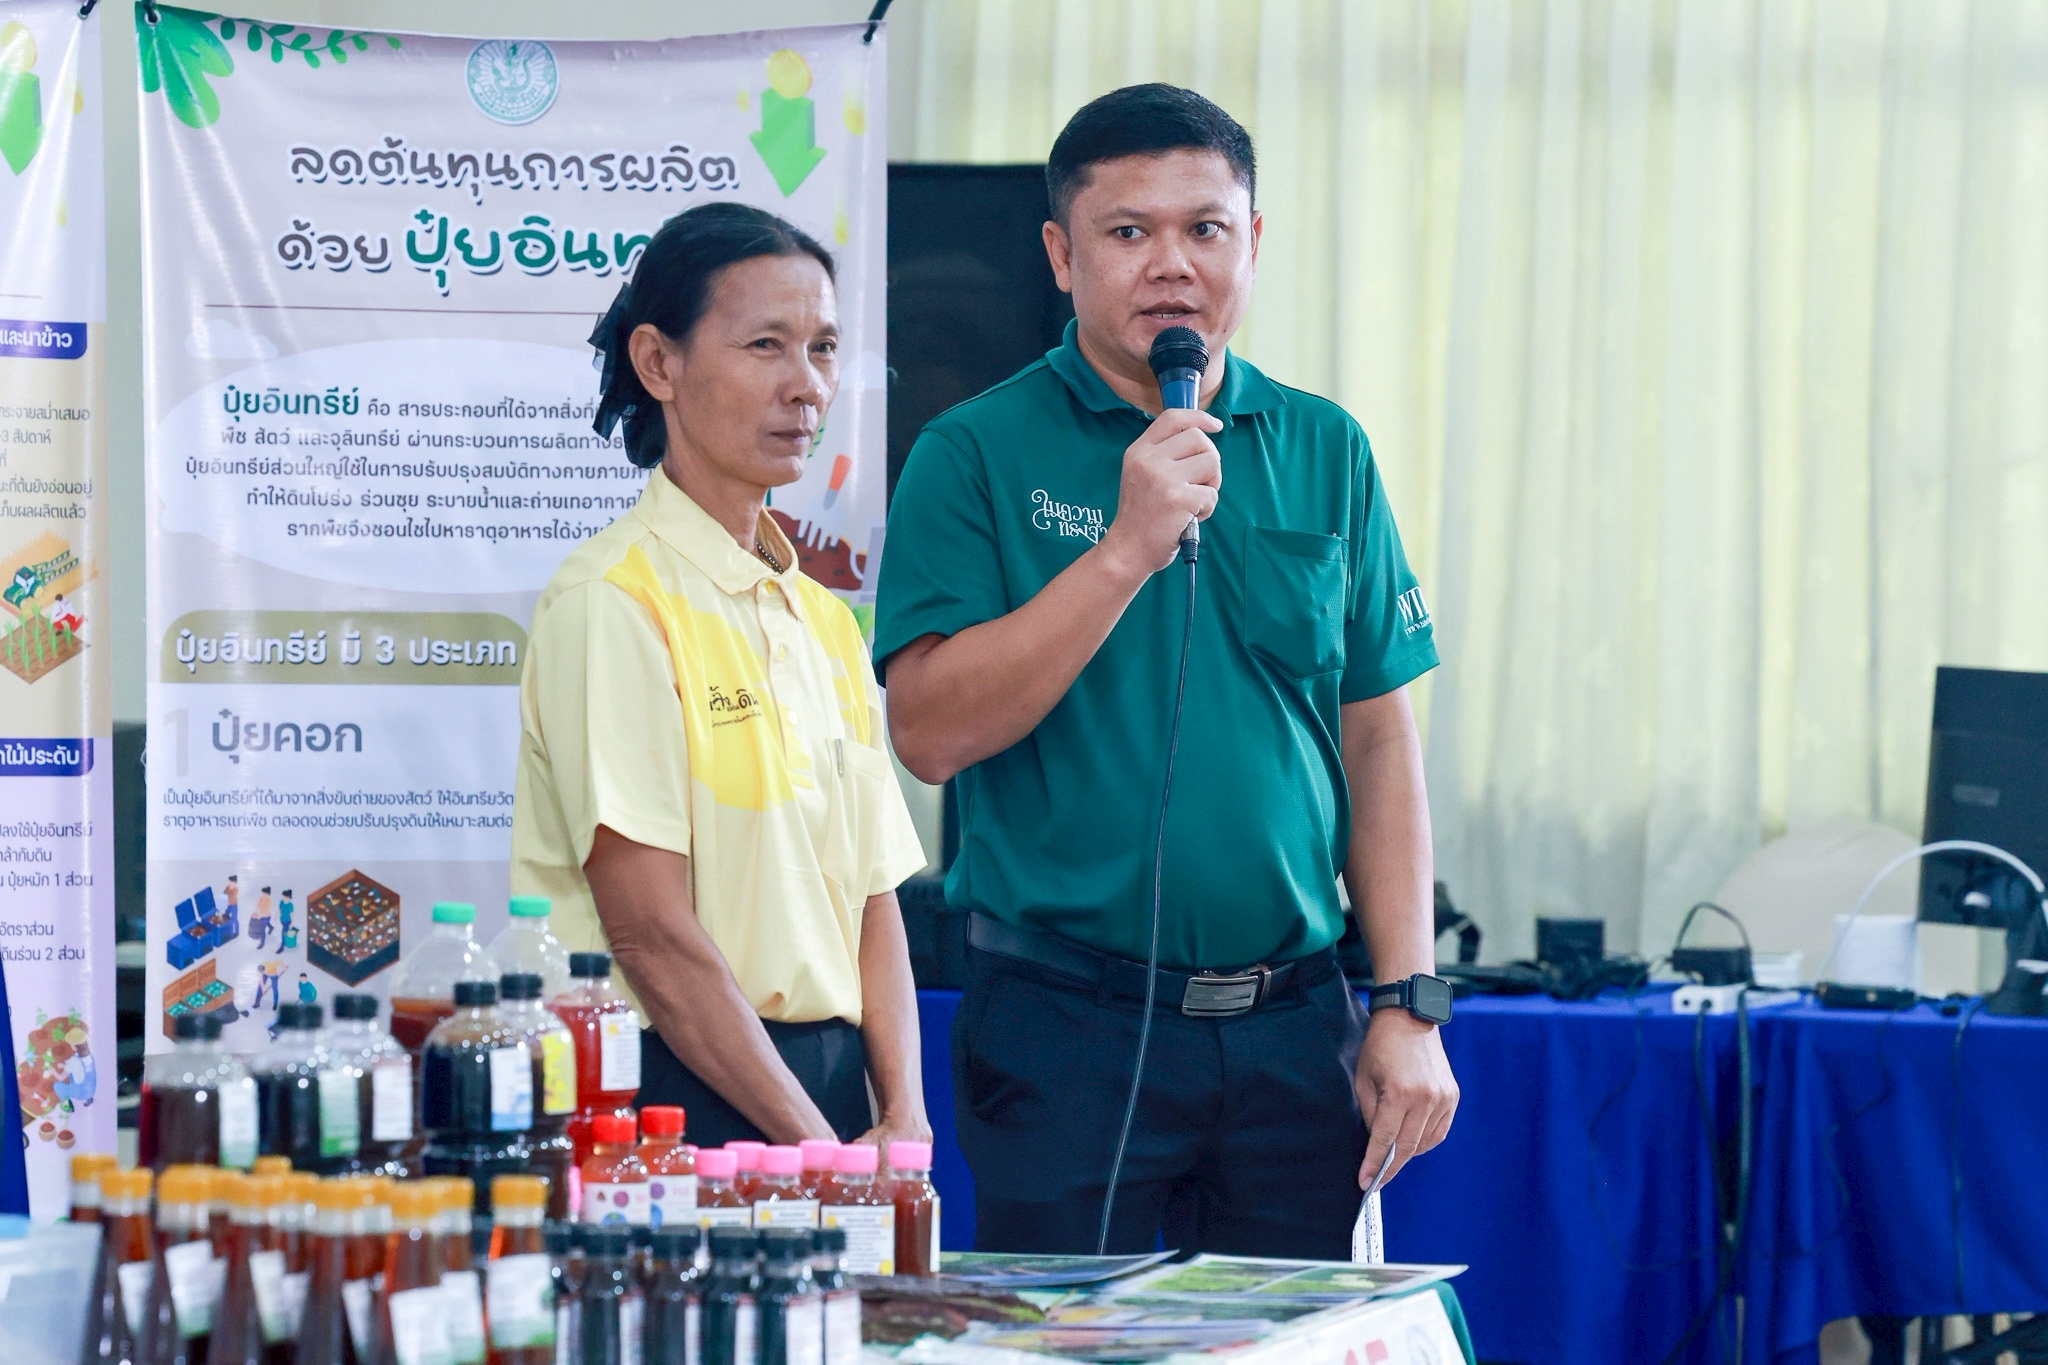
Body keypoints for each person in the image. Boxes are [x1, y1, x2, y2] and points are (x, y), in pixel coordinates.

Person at [876, 84, 1459, 1258]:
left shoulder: (1323, 446)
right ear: (1059, 254)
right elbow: (927, 733)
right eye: (1126, 232)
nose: (1170, 265)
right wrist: (1124, 549)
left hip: (1293, 1028)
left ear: (1254, 241)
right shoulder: (973, 451)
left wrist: (1405, 1003)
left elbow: (1378, 741)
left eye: (1205, 228)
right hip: (1061, 1026)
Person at [512, 203, 931, 1151]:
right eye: (764, 346)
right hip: (674, 1087)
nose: (806, 387)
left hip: (828, 1086)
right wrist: (814, 1149)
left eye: (823, 348)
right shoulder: (612, 601)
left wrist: (901, 1115)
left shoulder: (823, 618)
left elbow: (875, 901)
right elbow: (652, 938)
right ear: (659, 363)